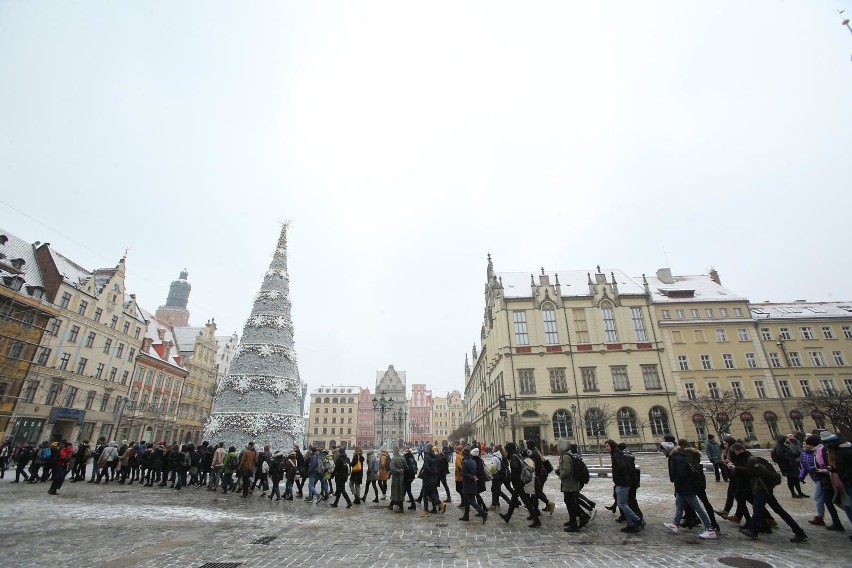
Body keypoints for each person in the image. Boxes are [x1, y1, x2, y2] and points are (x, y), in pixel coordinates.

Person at [729, 442, 809, 542]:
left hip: (763, 489)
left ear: (739, 450)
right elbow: (752, 470)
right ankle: (799, 532)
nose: (736, 454)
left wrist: (737, 468)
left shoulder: (751, 459)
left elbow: (763, 472)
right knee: (778, 511)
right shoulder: (749, 459)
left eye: (736, 452)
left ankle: (753, 531)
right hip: (764, 489)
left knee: (758, 510)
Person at [659, 440, 717, 539]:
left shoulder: (676, 458)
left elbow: (681, 474)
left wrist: (678, 483)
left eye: (663, 450)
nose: (663, 453)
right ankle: (675, 524)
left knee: (697, 507)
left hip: (686, 487)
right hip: (683, 487)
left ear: (667, 449)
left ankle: (710, 529)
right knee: (679, 505)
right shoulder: (679, 455)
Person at [606, 439, 644, 533]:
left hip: (622, 483)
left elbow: (621, 468)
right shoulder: (617, 454)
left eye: (608, 446)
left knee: (622, 504)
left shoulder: (616, 455)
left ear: (612, 446)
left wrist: (618, 478)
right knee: (623, 504)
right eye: (605, 446)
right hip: (623, 482)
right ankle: (630, 524)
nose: (606, 448)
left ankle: (638, 520)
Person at [499, 442, 541, 528]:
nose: (506, 451)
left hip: (518, 482)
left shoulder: (514, 457)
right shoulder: (518, 454)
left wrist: (512, 477)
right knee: (514, 499)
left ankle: (536, 520)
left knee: (526, 501)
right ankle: (507, 516)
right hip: (520, 481)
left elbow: (516, 468)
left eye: (506, 449)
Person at [558, 440, 589, 532]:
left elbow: (567, 470)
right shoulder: (568, 455)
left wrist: (560, 475)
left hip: (569, 483)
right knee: (569, 501)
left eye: (560, 445)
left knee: (570, 503)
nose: (558, 447)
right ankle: (573, 520)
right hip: (570, 483)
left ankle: (579, 520)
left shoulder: (566, 456)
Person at [774, 434, 808, 499]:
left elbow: (790, 455)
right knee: (791, 480)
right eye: (785, 438)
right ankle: (793, 493)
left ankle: (800, 492)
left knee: (796, 479)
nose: (787, 439)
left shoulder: (784, 445)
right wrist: (789, 460)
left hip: (792, 465)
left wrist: (797, 454)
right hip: (788, 466)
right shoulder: (780, 447)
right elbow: (780, 455)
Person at [460, 447, 488, 523]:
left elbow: (464, 474)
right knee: (466, 500)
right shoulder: (473, 461)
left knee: (471, 501)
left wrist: (472, 477)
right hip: (473, 484)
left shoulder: (465, 462)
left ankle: (483, 513)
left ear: (464, 454)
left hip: (468, 484)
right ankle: (466, 515)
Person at [389, 447, 407, 512]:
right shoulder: (403, 458)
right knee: (401, 491)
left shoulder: (393, 459)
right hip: (402, 477)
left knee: (395, 491)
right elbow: (406, 467)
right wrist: (402, 470)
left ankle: (400, 507)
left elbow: (392, 469)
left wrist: (398, 470)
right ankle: (392, 505)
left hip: (395, 477)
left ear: (394, 451)